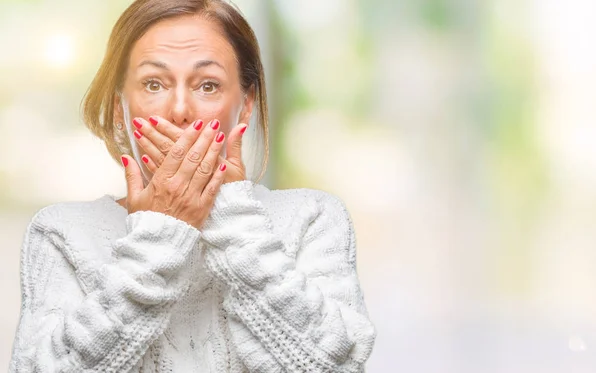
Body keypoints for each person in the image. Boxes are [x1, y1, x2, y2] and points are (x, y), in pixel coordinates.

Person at [8, 0, 376, 372]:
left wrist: (232, 222)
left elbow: (337, 366)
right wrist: (159, 236)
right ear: (120, 108)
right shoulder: (61, 233)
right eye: (154, 83)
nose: (180, 109)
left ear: (245, 105)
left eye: (207, 85)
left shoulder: (313, 219)